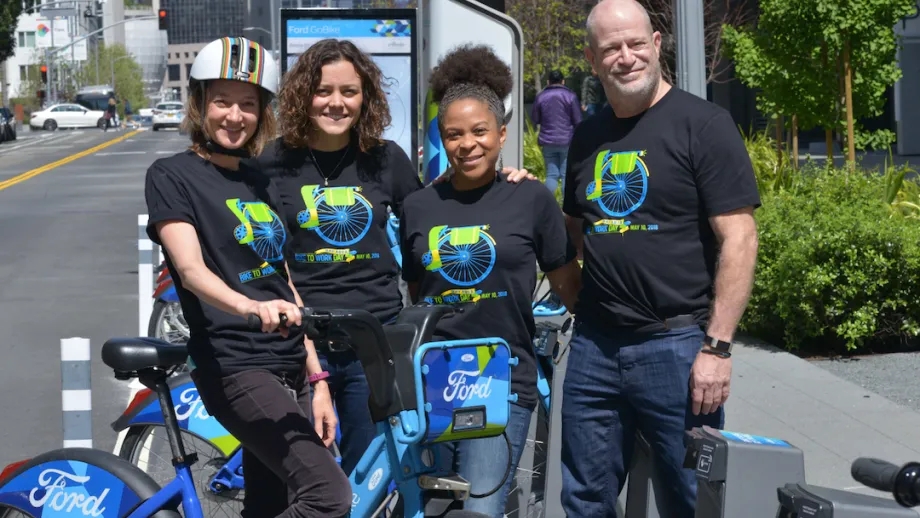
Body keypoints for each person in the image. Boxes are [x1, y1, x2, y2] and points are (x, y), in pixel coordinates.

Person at [558, 1, 761, 516]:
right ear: (591, 57)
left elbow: (739, 237)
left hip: (677, 347)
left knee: (690, 498)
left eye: (634, 43)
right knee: (584, 498)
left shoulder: (704, 124)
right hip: (594, 350)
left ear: (656, 44)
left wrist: (717, 348)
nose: (625, 57)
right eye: (610, 48)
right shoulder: (587, 136)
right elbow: (575, 231)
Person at [143, 36, 351, 517]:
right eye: (222, 102)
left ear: (263, 113)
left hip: (290, 364)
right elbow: (191, 271)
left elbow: (283, 282)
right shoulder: (172, 175)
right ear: (200, 104)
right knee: (329, 496)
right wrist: (249, 308)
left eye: (248, 105)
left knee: (272, 502)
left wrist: (317, 377)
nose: (234, 116)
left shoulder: (259, 179)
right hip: (236, 364)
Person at [399, 43, 583, 518]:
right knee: (433, 507)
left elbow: (566, 280)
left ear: (502, 134)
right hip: (433, 376)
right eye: (454, 134)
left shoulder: (532, 199)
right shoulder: (419, 206)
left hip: (500, 377)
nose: (468, 144)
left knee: (480, 509)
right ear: (442, 139)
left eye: (480, 131)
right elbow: (419, 291)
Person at [256, 38, 424, 476]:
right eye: (323, 91)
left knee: (369, 479)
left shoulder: (387, 160)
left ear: (364, 96)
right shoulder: (272, 162)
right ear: (302, 95)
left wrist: (497, 181)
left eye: (349, 92)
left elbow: (431, 227)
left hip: (374, 338)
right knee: (304, 479)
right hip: (299, 342)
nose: (336, 103)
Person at [531, 69, 581, 196]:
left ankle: (548, 206)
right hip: (567, 140)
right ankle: (566, 209)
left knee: (551, 175)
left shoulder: (541, 97)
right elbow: (578, 120)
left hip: (547, 141)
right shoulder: (570, 96)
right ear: (563, 81)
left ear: (548, 82)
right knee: (565, 175)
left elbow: (535, 119)